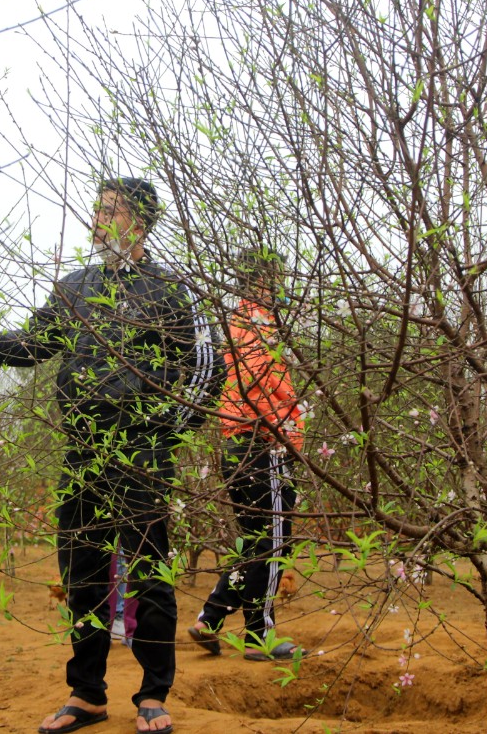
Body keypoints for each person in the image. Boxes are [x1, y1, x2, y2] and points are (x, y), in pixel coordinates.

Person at [0, 177, 218, 734]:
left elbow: (206, 370)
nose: (96, 221)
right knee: (82, 574)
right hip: (82, 454)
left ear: (138, 221)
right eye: (96, 210)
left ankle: (153, 695)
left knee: (147, 574)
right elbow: (33, 347)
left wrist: (163, 434)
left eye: (108, 211)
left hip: (140, 453)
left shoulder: (170, 290)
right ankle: (86, 694)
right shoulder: (76, 288)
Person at [188, 248, 306, 662]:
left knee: (256, 544)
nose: (282, 288)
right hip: (263, 443)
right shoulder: (257, 321)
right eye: (277, 279)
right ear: (263, 280)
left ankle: (211, 618)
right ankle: (261, 637)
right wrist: (292, 417)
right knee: (273, 544)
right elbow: (260, 378)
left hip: (240, 443)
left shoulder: (237, 320)